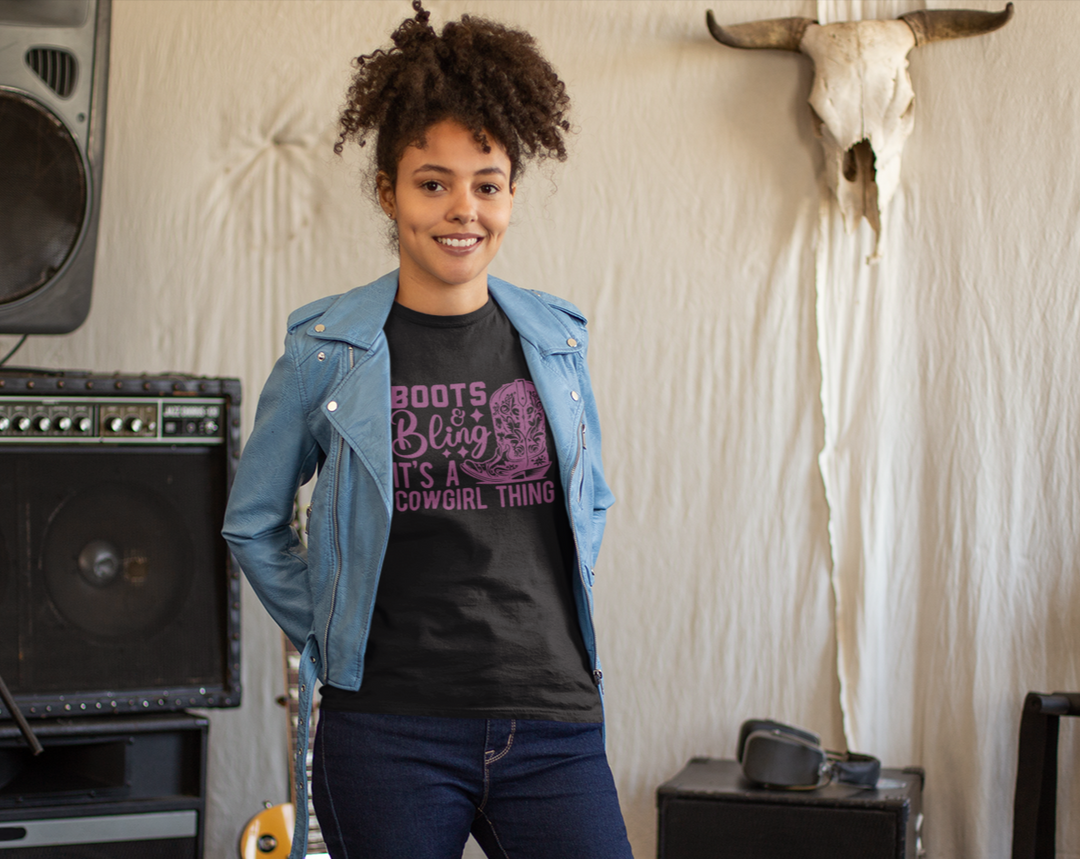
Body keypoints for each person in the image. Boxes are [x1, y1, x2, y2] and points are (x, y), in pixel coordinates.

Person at [222, 3, 630, 857]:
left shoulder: (556, 342)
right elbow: (252, 521)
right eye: (433, 182)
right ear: (388, 190)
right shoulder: (325, 351)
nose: (462, 210)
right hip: (389, 733)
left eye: (486, 183)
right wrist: (330, 627)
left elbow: (590, 497)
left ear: (513, 191)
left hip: (553, 722)